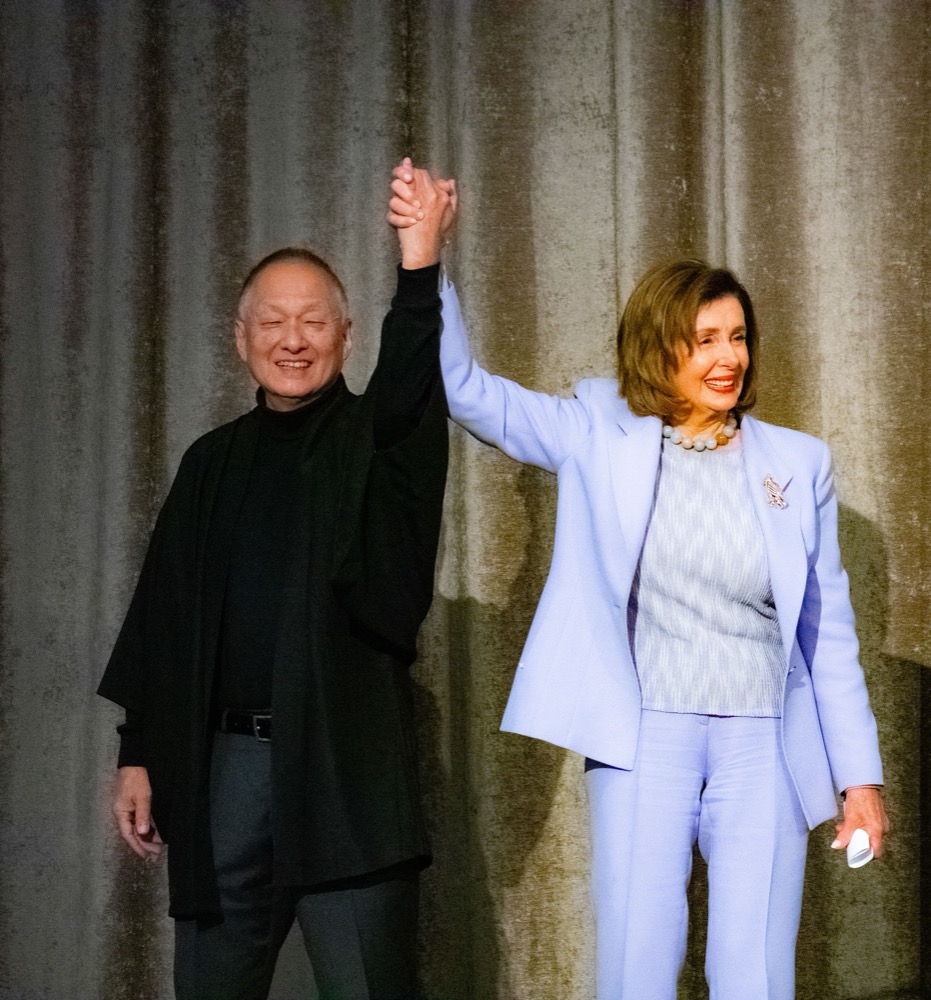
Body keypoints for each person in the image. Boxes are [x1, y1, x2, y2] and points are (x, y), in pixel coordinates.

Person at [389, 164, 888, 1000]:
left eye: (736, 337)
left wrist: (859, 780)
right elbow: (465, 392)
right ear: (659, 347)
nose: (726, 358)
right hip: (641, 734)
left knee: (754, 976)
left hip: (762, 741)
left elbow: (824, 633)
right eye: (704, 340)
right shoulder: (595, 427)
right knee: (636, 967)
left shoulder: (798, 464)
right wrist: (424, 263)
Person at [98, 164, 456, 1000]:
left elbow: (409, 387)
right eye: (272, 322)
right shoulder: (210, 464)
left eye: (311, 323)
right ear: (241, 337)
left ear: (344, 334)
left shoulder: (379, 438)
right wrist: (138, 755)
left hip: (346, 769)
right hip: (227, 775)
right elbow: (163, 617)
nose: (291, 340)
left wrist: (419, 263)